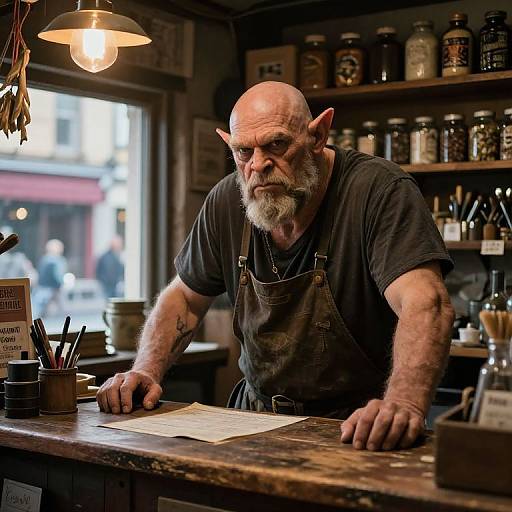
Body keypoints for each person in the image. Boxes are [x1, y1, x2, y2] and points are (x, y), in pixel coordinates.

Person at [97, 81, 454, 452]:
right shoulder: (225, 202)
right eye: (243, 151)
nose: (258, 165)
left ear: (318, 134)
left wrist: (405, 402)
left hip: (357, 427)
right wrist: (145, 370)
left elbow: (426, 303)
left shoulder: (378, 192)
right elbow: (185, 298)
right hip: (253, 421)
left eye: (277, 145)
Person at [32, 239, 66, 318]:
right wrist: (61, 284)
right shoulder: (57, 260)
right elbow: (58, 276)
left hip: (43, 286)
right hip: (51, 287)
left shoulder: (44, 259)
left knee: (40, 306)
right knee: (42, 306)